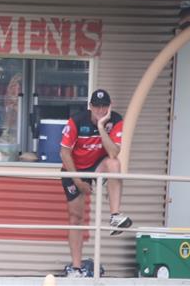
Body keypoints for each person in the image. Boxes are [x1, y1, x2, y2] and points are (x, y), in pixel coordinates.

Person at [59, 88, 133, 278]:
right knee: (76, 218)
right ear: (90, 106)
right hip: (73, 169)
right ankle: (76, 269)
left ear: (110, 106)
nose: (100, 110)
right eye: (97, 106)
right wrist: (78, 180)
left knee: (115, 163)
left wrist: (101, 127)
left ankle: (115, 215)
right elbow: (64, 153)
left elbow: (114, 153)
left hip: (97, 166)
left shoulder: (115, 120)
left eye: (104, 106)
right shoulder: (76, 120)